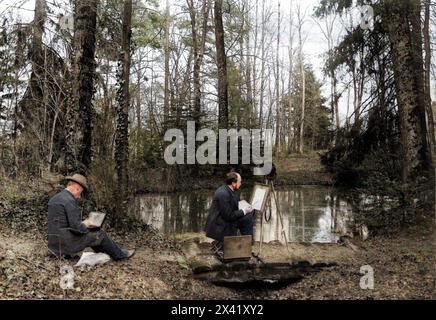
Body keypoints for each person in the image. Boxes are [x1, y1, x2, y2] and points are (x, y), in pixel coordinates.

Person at [47, 173, 134, 260]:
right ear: (77, 188)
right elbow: (77, 229)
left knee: (94, 233)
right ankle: (120, 255)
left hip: (53, 243)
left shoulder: (54, 198)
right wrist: (86, 224)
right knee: (100, 234)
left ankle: (103, 253)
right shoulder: (70, 201)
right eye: (80, 192)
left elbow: (62, 224)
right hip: (66, 243)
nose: (79, 196)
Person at [204, 172, 253, 251]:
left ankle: (246, 243)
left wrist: (242, 204)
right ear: (233, 183)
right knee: (247, 217)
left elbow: (231, 206)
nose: (241, 183)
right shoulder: (223, 194)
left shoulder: (229, 189)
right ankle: (247, 245)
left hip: (223, 219)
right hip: (219, 225)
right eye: (240, 182)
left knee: (248, 216)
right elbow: (229, 216)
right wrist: (244, 211)